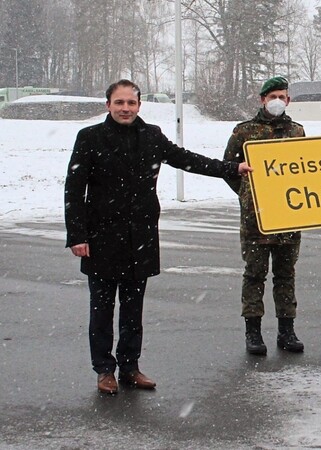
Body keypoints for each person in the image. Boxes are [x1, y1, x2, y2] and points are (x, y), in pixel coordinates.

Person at [64, 79, 252, 395]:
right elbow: (74, 187)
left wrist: (232, 168)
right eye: (120, 102)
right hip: (101, 239)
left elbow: (186, 159)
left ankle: (129, 367)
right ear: (107, 105)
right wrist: (77, 235)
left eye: (132, 103)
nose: (126, 108)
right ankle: (104, 370)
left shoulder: (151, 136)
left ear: (139, 106)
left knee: (133, 311)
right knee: (101, 310)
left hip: (141, 237)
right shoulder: (90, 137)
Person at [223, 76, 306, 356]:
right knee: (255, 275)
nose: (278, 102)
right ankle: (253, 333)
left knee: (285, 275)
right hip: (256, 220)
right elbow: (228, 168)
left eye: (282, 96)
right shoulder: (244, 131)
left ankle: (287, 331)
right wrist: (249, 194)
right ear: (262, 100)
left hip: (289, 219)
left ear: (289, 100)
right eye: (273, 97)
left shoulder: (297, 132)